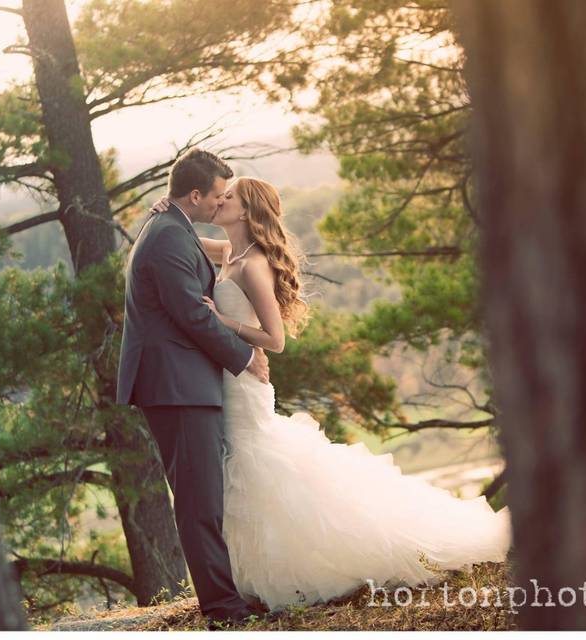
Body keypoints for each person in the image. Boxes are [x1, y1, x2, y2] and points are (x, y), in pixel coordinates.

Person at [148, 174, 512, 612]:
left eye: (230, 197)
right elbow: (183, 238)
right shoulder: (230, 252)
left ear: (246, 210)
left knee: (257, 464)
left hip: (245, 383)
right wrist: (166, 207)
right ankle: (248, 574)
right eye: (219, 195)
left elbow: (276, 339)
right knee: (243, 472)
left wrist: (222, 323)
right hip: (226, 379)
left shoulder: (253, 264)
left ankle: (310, 563)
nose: (220, 200)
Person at [115, 148, 272, 630]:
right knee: (199, 499)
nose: (220, 202)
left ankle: (227, 597)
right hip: (176, 385)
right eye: (217, 195)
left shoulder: (173, 229)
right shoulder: (167, 237)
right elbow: (191, 314)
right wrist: (245, 357)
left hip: (182, 383)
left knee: (204, 494)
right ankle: (224, 611)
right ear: (196, 194)